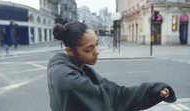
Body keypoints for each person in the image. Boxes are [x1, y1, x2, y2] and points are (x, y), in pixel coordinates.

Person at [47, 21, 176, 111]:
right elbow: (113, 99)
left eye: (97, 44)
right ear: (70, 51)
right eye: (89, 49)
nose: (97, 52)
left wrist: (152, 90)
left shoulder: (79, 69)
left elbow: (116, 92)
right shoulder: (67, 78)